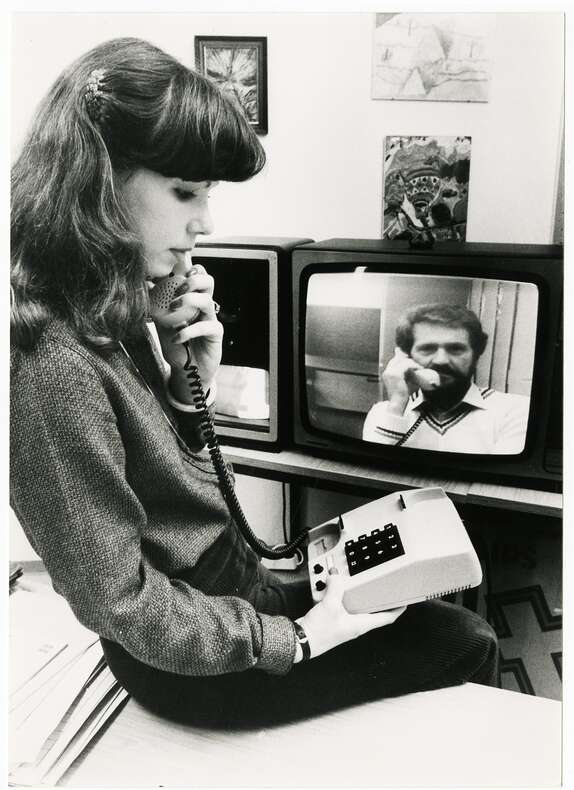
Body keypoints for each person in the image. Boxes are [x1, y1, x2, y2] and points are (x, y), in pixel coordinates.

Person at [11, 37, 498, 730]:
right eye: (184, 192)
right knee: (465, 641)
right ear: (96, 179)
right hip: (190, 662)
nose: (204, 223)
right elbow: (118, 601)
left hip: (233, 583)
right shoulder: (48, 360)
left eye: (207, 194)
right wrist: (298, 639)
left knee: (415, 598)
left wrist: (187, 391)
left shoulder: (106, 316)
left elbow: (158, 489)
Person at [363, 304, 530, 454]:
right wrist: (397, 403)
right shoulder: (383, 413)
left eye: (456, 349)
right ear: (406, 356)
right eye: (427, 348)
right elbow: (370, 472)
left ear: (476, 355)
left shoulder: (516, 411)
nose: (441, 360)